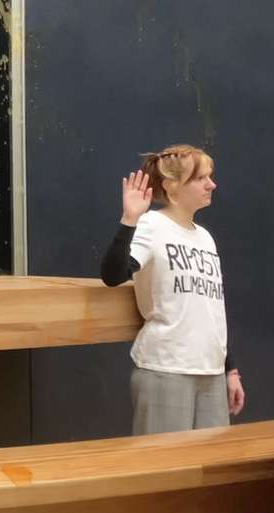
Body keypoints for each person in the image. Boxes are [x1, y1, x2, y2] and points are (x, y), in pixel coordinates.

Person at [100, 144, 244, 434]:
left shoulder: (205, 238)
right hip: (166, 370)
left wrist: (230, 369)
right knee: (164, 471)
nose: (211, 184)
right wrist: (130, 219)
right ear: (172, 186)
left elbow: (210, 309)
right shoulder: (152, 225)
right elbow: (113, 274)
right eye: (201, 178)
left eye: (210, 176)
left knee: (213, 474)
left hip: (211, 373)